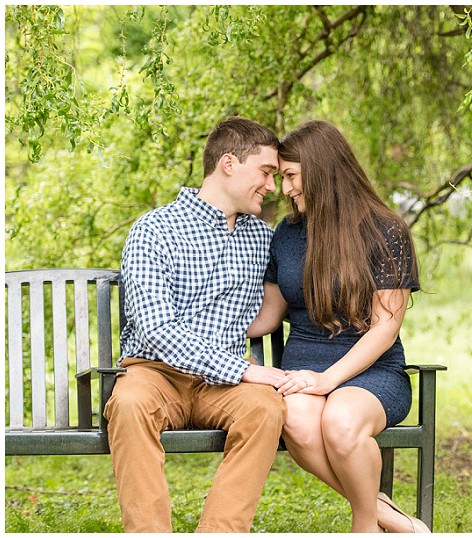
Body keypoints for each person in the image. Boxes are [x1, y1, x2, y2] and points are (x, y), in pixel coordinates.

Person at [104, 116, 288, 533]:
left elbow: (280, 300)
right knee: (129, 405)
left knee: (264, 407)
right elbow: (155, 327)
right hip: (155, 373)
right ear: (228, 163)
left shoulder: (262, 237)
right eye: (266, 172)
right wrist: (246, 369)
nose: (272, 186)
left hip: (219, 387)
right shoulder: (154, 230)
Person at [247, 120, 429, 533]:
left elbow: (384, 328)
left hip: (373, 372)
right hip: (302, 372)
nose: (285, 188)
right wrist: (202, 324)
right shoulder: (288, 233)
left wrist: (327, 380)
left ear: (322, 170)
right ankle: (391, 518)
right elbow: (268, 316)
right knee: (295, 420)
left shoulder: (386, 231)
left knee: (342, 424)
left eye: (291, 175)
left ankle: (364, 525)